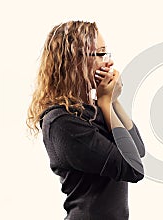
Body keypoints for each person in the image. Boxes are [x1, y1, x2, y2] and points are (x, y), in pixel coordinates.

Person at [27, 21, 145, 220]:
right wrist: (106, 102)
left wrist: (112, 101)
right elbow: (132, 169)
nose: (108, 63)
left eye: (106, 53)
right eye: (99, 54)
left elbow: (137, 150)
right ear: (74, 61)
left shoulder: (93, 109)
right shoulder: (61, 122)